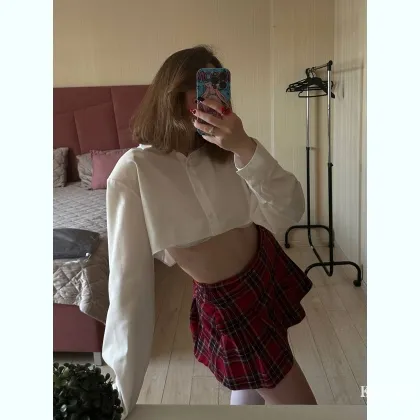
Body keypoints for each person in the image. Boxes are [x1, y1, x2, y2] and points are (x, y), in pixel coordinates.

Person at [103, 45, 316, 418]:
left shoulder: (227, 152)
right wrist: (119, 396)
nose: (213, 99)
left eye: (219, 87)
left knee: (251, 385)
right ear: (173, 95)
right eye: (203, 88)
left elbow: (289, 208)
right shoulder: (134, 171)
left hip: (265, 269)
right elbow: (128, 285)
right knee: (303, 408)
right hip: (228, 302)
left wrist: (245, 147)